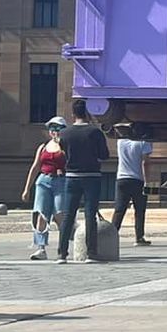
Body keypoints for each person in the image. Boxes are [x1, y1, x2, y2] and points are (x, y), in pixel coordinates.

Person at [56, 100, 111, 263]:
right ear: (88, 113)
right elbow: (104, 155)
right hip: (92, 176)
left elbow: (63, 152)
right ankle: (91, 253)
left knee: (68, 215)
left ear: (73, 114)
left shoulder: (64, 133)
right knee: (90, 214)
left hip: (72, 176)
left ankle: (62, 253)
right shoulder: (94, 132)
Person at [19, 116, 68, 260]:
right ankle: (41, 248)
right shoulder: (43, 147)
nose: (54, 131)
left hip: (60, 181)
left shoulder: (66, 146)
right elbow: (35, 167)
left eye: (57, 128)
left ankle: (63, 246)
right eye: (51, 128)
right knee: (41, 214)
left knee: (59, 214)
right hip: (43, 181)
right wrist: (27, 188)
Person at [111, 122, 154, 247]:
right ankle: (139, 237)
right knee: (139, 210)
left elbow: (117, 128)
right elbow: (145, 163)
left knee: (119, 210)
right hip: (137, 179)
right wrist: (147, 181)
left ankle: (112, 235)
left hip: (121, 178)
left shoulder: (121, 142)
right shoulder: (144, 143)